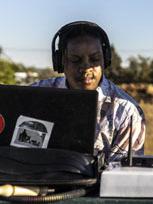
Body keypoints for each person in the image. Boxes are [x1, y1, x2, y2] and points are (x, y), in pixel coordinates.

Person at [31, 21, 146, 163]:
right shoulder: (35, 96)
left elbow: (120, 175)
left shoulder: (126, 112)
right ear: (61, 62)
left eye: (94, 59)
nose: (86, 68)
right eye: (75, 60)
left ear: (105, 59)